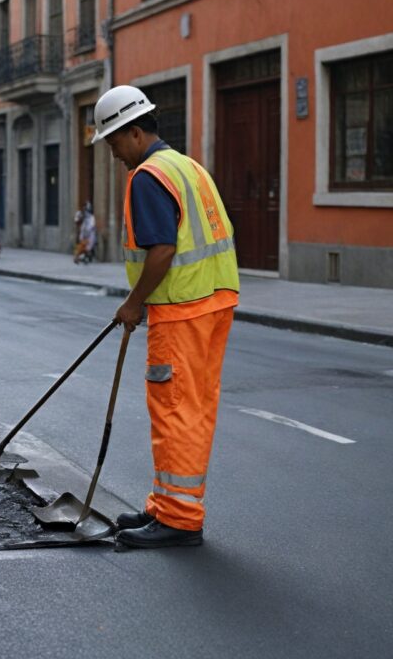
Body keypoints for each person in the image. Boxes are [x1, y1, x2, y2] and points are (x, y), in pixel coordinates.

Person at [91, 84, 239, 549]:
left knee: (174, 411)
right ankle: (166, 505)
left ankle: (178, 519)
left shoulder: (148, 176)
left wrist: (133, 303)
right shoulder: (187, 167)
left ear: (134, 133)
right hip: (214, 303)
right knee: (191, 410)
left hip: (180, 310)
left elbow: (162, 250)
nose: (114, 154)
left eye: (114, 142)